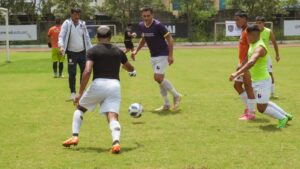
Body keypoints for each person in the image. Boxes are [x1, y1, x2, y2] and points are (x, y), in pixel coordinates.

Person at [62, 26, 137, 154]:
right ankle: (116, 143)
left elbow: (87, 71)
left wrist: (80, 92)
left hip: (99, 84)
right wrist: (131, 71)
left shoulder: (92, 51)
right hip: (114, 86)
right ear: (110, 37)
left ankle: (75, 136)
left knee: (80, 108)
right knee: (112, 116)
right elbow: (130, 67)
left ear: (97, 37)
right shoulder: (118, 51)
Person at [229, 24, 293, 129]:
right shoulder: (253, 44)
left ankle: (282, 118)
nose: (246, 38)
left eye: (247, 36)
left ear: (253, 35)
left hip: (262, 82)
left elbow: (252, 61)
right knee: (264, 102)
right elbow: (248, 57)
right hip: (257, 80)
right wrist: (240, 66)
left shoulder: (260, 47)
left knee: (261, 108)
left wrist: (237, 73)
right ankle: (286, 115)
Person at [131, 6, 181, 111]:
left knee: (157, 77)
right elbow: (143, 39)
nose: (146, 18)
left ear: (152, 15)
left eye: (148, 16)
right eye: (144, 16)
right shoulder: (142, 25)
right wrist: (136, 50)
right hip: (153, 56)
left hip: (163, 54)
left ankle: (176, 96)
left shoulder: (158, 25)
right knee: (160, 80)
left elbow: (170, 40)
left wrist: (171, 55)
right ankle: (166, 104)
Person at [58, 7, 92, 101]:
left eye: (79, 14)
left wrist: (91, 50)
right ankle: (73, 92)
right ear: (71, 14)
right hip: (71, 53)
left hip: (82, 52)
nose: (77, 16)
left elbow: (87, 38)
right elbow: (61, 36)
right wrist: (61, 46)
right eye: (75, 14)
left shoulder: (83, 24)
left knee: (84, 72)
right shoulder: (67, 23)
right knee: (72, 73)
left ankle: (82, 91)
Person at [233, 12, 256, 120]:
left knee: (248, 87)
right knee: (237, 86)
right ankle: (249, 109)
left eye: (238, 19)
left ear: (244, 19)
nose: (236, 22)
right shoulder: (243, 30)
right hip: (243, 63)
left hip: (246, 64)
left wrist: (242, 64)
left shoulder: (248, 31)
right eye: (235, 20)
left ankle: (251, 113)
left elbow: (251, 50)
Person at [256, 16, 280, 99]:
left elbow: (274, 43)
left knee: (270, 74)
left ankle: (272, 93)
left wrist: (277, 55)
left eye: (260, 23)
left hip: (266, 57)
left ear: (263, 23)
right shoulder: (254, 31)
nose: (258, 24)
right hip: (255, 57)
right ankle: (255, 92)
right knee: (254, 74)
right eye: (257, 23)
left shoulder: (268, 31)